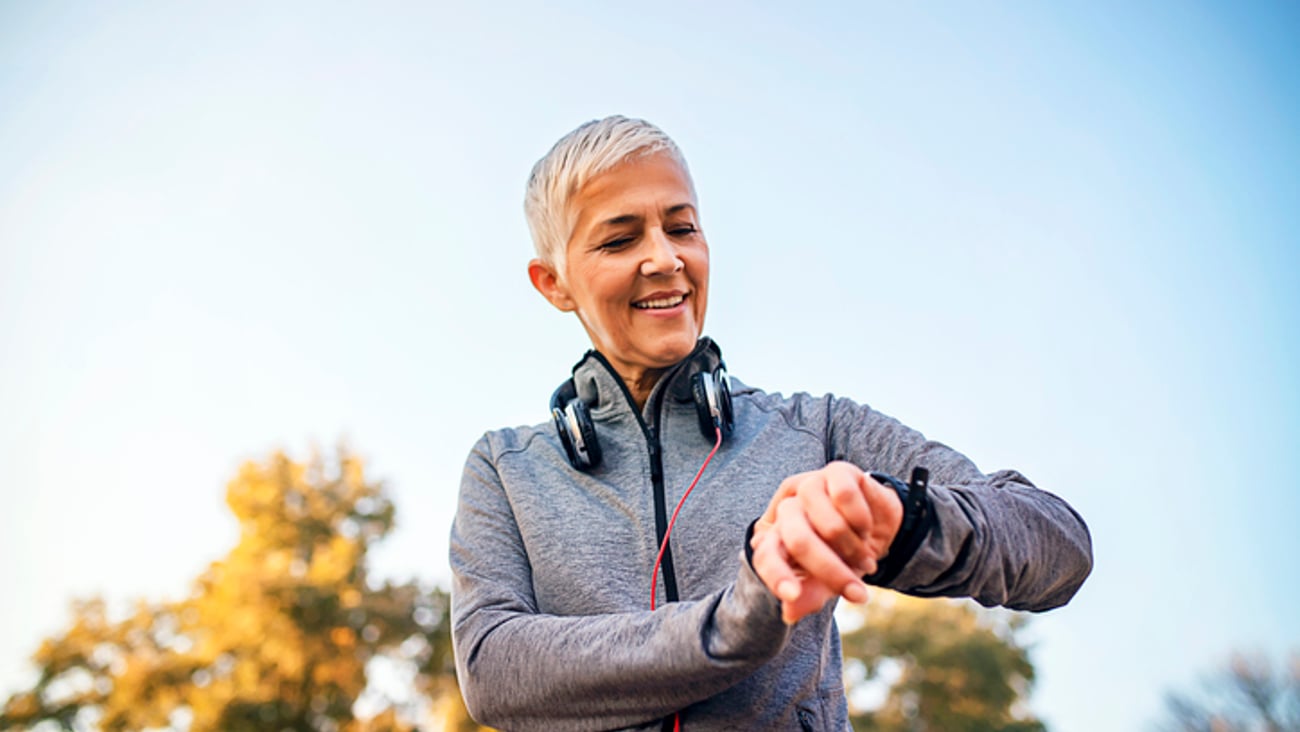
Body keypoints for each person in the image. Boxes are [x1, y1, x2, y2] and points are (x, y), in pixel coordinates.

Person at [449, 115, 1092, 731]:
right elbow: (492, 667)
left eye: (682, 229)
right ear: (552, 283)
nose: (666, 259)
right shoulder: (505, 469)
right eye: (620, 239)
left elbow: (1059, 547)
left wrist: (899, 519)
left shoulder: (815, 431)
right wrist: (738, 620)